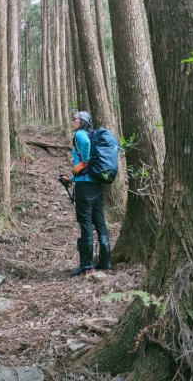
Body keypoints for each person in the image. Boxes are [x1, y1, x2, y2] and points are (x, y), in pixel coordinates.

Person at [64, 111, 112, 276]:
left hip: (85, 187)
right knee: (100, 222)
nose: (72, 121)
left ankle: (87, 266)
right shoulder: (91, 135)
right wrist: (71, 178)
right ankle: (106, 261)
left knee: (85, 223)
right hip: (96, 184)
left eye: (75, 119)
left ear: (82, 121)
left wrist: (83, 162)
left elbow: (85, 152)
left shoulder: (81, 135)